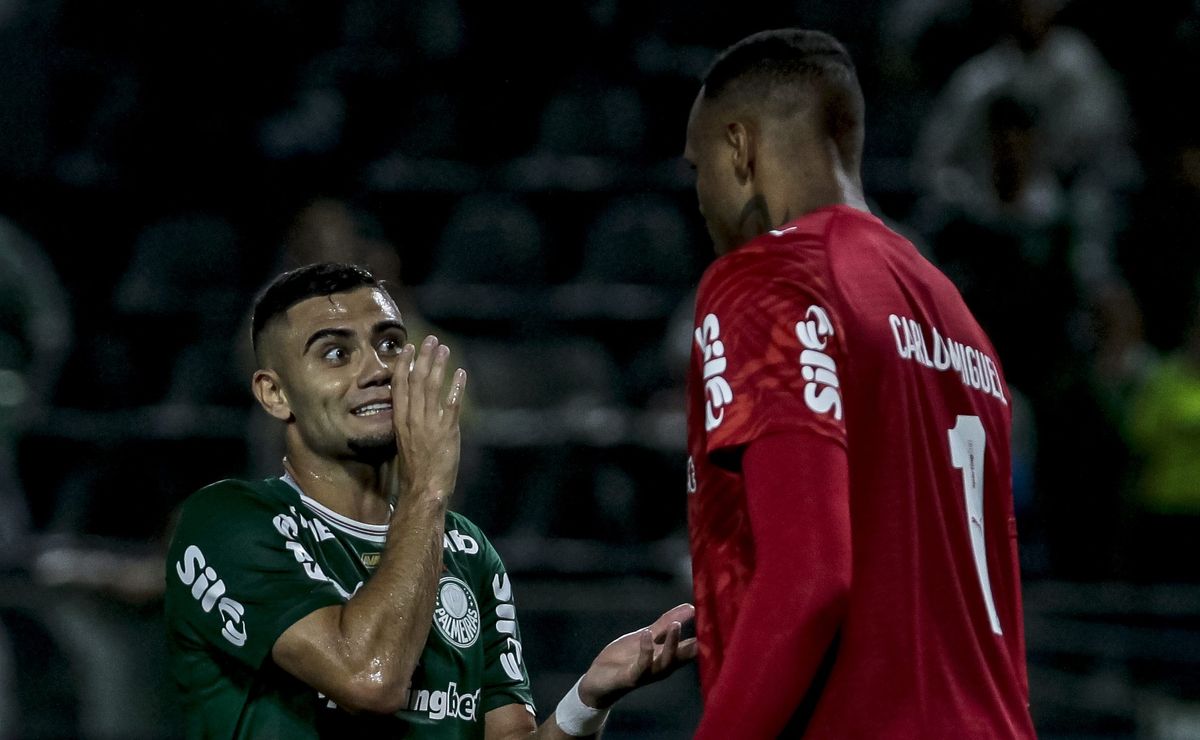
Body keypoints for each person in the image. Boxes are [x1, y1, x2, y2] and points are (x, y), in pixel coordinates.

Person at [164, 263, 696, 738]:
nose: (376, 369)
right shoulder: (227, 523)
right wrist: (426, 488)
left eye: (391, 344)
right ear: (275, 394)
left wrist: (585, 703)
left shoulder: (468, 550)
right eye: (335, 353)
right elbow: (369, 678)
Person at [681, 29, 1036, 737]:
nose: (698, 200)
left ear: (741, 148)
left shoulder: (770, 278)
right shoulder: (958, 318)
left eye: (699, 170)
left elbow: (808, 581)